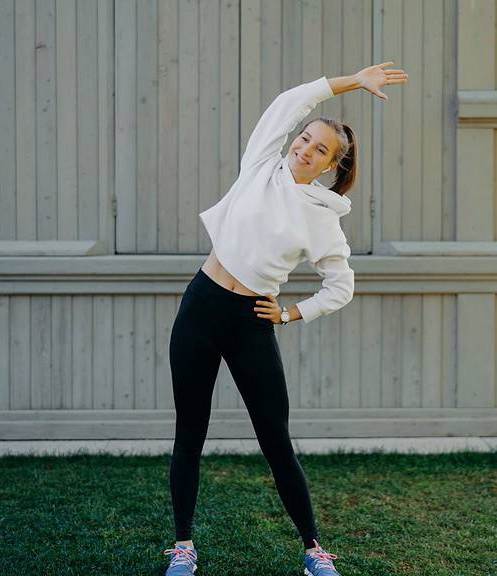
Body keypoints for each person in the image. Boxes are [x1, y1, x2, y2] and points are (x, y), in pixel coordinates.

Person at [162, 62, 408, 576]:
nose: (305, 149)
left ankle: (314, 550)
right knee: (191, 431)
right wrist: (351, 82)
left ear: (329, 167)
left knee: (275, 439)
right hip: (201, 306)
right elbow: (290, 99)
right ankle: (183, 546)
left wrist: (292, 313)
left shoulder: (322, 214)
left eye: (320, 150)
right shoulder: (261, 165)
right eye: (305, 138)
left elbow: (340, 286)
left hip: (252, 318)